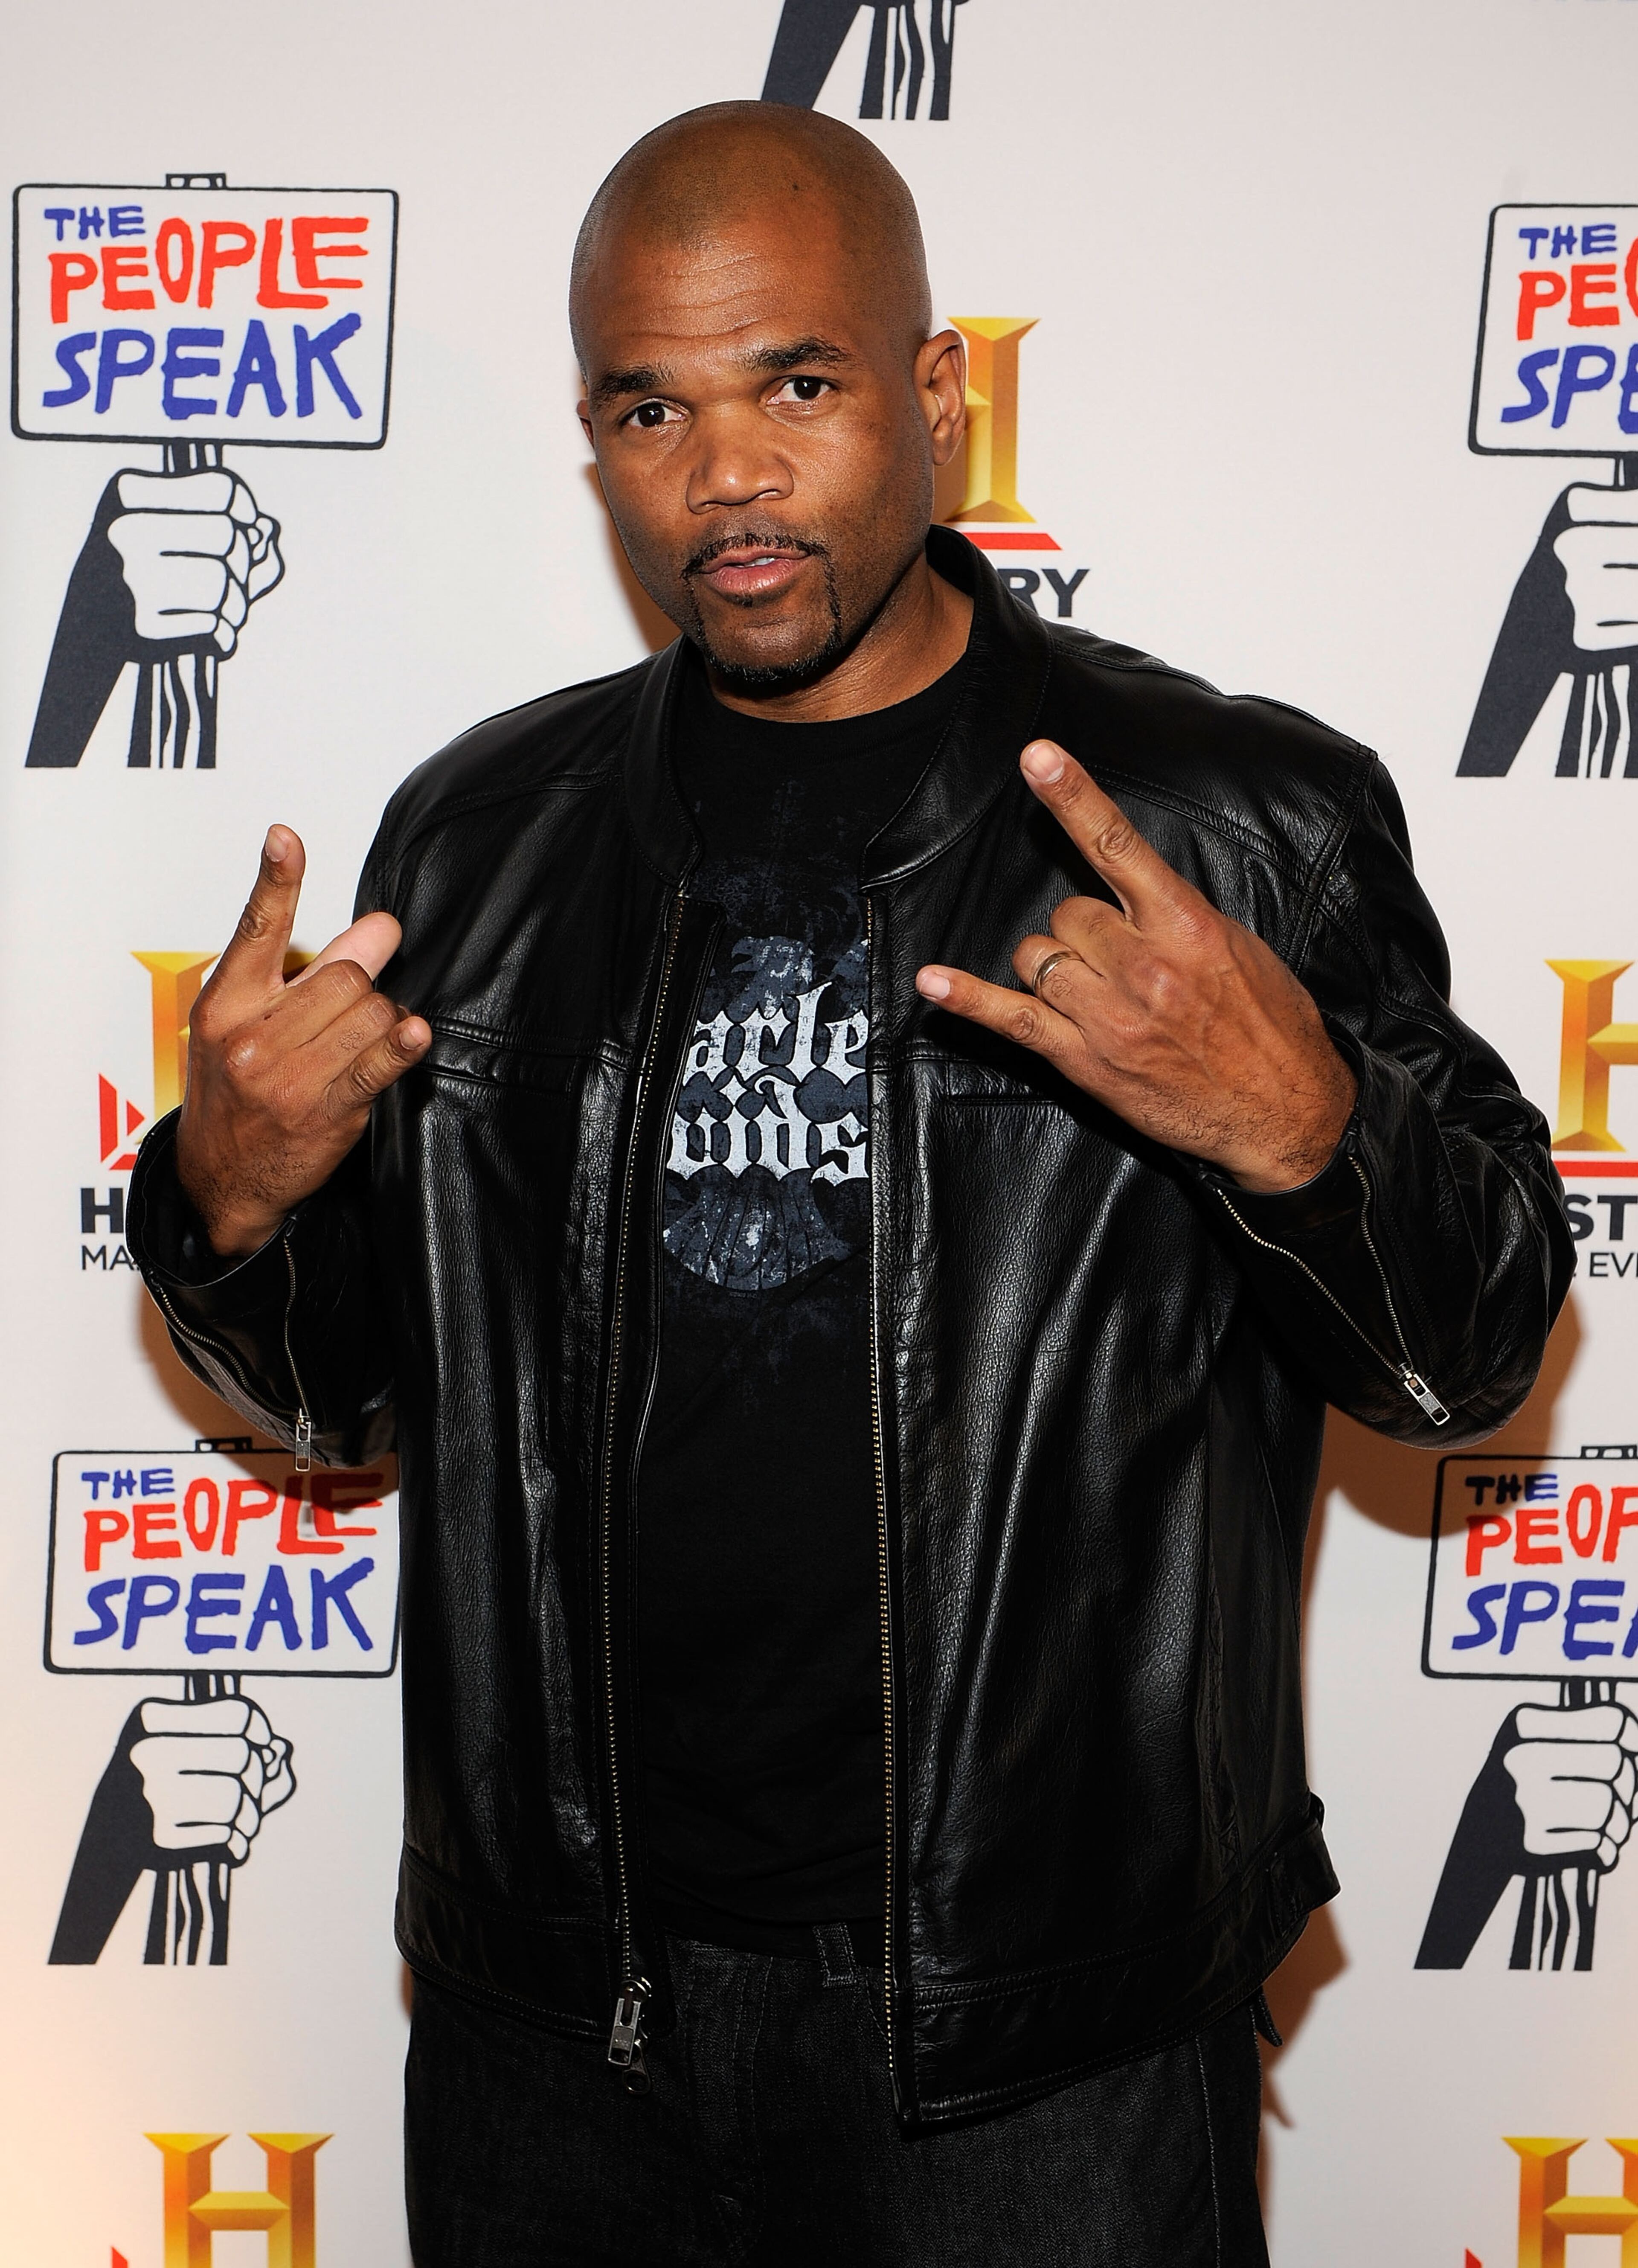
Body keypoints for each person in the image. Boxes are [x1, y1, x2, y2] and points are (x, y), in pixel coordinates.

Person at [128, 99, 1573, 2267]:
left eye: (796, 384)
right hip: (558, 2020)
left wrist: (1301, 1129)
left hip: (1036, 2038)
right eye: (650, 408)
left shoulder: (1227, 822)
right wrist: (230, 1198)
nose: (726, 478)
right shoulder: (482, 845)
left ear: (935, 393)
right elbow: (347, 1409)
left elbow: (1461, 1368)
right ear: (596, 438)